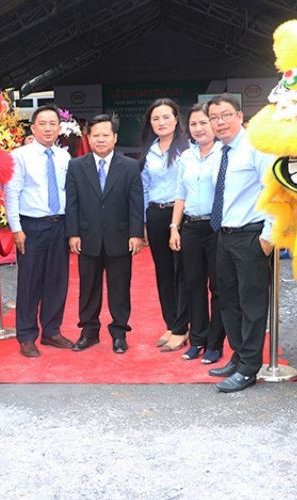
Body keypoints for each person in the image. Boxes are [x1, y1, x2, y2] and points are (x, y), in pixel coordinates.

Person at [205, 94, 274, 393]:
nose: (219, 122)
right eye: (214, 118)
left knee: (252, 303)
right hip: (224, 235)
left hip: (251, 236)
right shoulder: (221, 152)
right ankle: (239, 354)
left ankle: (248, 368)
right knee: (228, 300)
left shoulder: (256, 147)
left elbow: (273, 190)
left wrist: (269, 237)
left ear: (239, 116)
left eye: (225, 115)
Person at [65, 113, 144, 354]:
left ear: (115, 137)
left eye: (105, 135)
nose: (100, 140)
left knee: (120, 287)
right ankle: (89, 332)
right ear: (88, 138)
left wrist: (136, 233)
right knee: (88, 287)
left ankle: (119, 332)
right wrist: (73, 233)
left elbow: (136, 202)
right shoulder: (76, 166)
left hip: (119, 237)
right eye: (95, 135)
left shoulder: (129, 166)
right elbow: (72, 202)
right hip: (87, 237)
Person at [4, 105, 74, 358]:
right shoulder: (19, 155)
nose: (48, 128)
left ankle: (52, 331)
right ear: (33, 128)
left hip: (60, 225)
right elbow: (11, 192)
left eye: (52, 123)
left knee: (57, 281)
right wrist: (16, 229)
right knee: (30, 282)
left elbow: (68, 193)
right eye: (42, 123)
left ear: (59, 127)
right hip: (31, 226)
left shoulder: (64, 157)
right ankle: (26, 335)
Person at [168, 103, 226, 365]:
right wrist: (174, 227)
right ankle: (197, 340)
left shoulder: (225, 154)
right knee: (193, 285)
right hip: (190, 227)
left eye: (204, 122)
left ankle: (215, 343)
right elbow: (180, 194)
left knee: (218, 287)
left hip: (217, 229)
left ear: (214, 124)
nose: (199, 128)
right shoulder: (186, 157)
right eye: (193, 124)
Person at [139, 98, 190, 352]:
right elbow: (144, 188)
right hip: (156, 215)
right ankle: (171, 323)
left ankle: (182, 327)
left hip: (180, 215)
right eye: (156, 118)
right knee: (163, 273)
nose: (161, 122)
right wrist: (145, 222)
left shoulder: (187, 150)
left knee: (182, 272)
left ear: (176, 119)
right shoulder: (149, 151)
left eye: (166, 117)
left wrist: (176, 223)